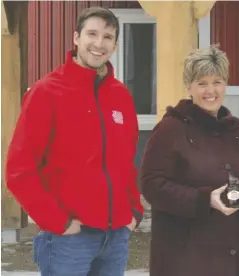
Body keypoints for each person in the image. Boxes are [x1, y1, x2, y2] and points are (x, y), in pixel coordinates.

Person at [5, 7, 142, 275]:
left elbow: (126, 162)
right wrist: (58, 221)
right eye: (92, 34)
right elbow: (19, 171)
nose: (99, 43)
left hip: (116, 238)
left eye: (108, 37)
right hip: (69, 239)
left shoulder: (121, 96)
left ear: (115, 45)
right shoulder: (47, 92)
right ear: (76, 38)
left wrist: (134, 210)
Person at [139, 45, 239, 276]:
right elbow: (152, 185)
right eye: (202, 83)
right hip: (187, 259)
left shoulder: (235, 133)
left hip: (237, 257)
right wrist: (205, 200)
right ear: (189, 87)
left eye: (217, 81)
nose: (211, 91)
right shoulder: (170, 129)